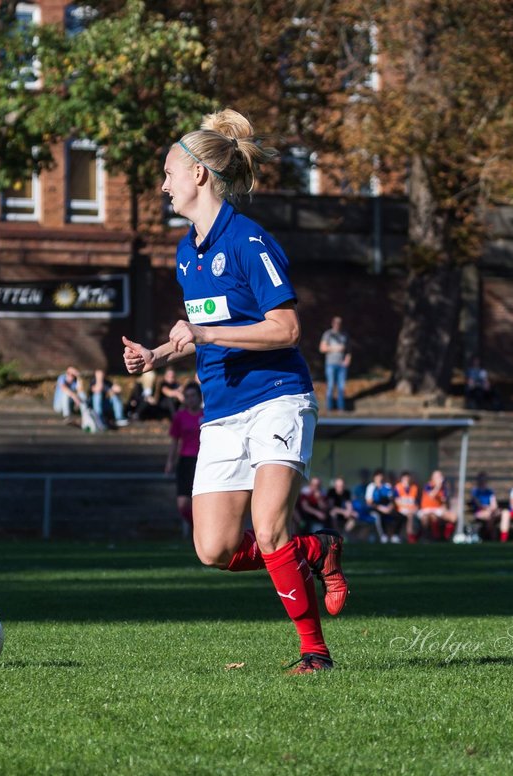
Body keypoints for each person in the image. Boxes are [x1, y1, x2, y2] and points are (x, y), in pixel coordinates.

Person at [120, 107, 347, 675]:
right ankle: (316, 551)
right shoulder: (184, 251)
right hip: (221, 410)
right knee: (214, 550)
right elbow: (209, 327)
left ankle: (314, 652)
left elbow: (287, 328)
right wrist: (160, 352)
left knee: (270, 528)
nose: (162, 182)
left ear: (199, 175)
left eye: (169, 170)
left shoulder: (250, 241)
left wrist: (203, 332)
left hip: (276, 395)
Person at [165, 383, 204, 536]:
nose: (190, 400)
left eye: (193, 396)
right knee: (183, 504)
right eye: (187, 397)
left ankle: (203, 533)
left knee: (200, 502)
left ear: (199, 397)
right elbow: (175, 440)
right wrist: (170, 461)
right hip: (185, 462)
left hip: (203, 462)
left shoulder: (206, 414)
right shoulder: (180, 416)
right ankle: (199, 529)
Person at [319, 315, 350, 411]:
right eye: (336, 323)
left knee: (341, 387)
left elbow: (349, 350)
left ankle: (341, 409)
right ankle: (329, 409)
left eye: (339, 323)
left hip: (342, 365)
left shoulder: (344, 335)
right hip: (331, 364)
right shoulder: (327, 334)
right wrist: (335, 348)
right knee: (331, 386)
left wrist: (347, 360)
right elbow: (322, 348)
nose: (337, 325)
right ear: (333, 323)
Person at [417, 469, 457, 541]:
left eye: (440, 476)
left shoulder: (444, 488)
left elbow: (444, 501)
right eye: (437, 476)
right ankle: (431, 537)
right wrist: (438, 486)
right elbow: (431, 496)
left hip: (437, 509)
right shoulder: (428, 485)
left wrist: (445, 508)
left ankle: (446, 537)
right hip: (426, 509)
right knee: (431, 517)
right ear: (432, 478)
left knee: (453, 517)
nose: (440, 478)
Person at [364, 469, 401, 543]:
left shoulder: (387, 486)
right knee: (379, 516)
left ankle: (394, 535)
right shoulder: (371, 487)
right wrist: (381, 508)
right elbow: (369, 503)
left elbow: (392, 499)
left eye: (381, 477)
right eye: (378, 477)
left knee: (399, 516)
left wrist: (389, 508)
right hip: (375, 509)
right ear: (374, 478)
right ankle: (383, 536)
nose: (379, 479)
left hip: (387, 509)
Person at [468, 472, 500, 541]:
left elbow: (494, 505)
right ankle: (490, 537)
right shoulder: (475, 491)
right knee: (490, 517)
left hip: (490, 512)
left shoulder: (490, 491)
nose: (483, 481)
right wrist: (488, 508)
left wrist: (490, 509)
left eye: (484, 479)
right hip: (479, 512)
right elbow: (479, 505)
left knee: (492, 516)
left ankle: (487, 537)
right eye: (481, 479)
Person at [394, 470, 420, 543]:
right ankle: (410, 536)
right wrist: (408, 509)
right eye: (405, 479)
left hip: (413, 510)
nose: (406, 481)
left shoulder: (414, 488)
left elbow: (416, 502)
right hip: (401, 510)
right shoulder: (398, 487)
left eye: (408, 479)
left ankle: (418, 535)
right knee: (410, 516)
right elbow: (397, 502)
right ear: (401, 479)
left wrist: (415, 508)